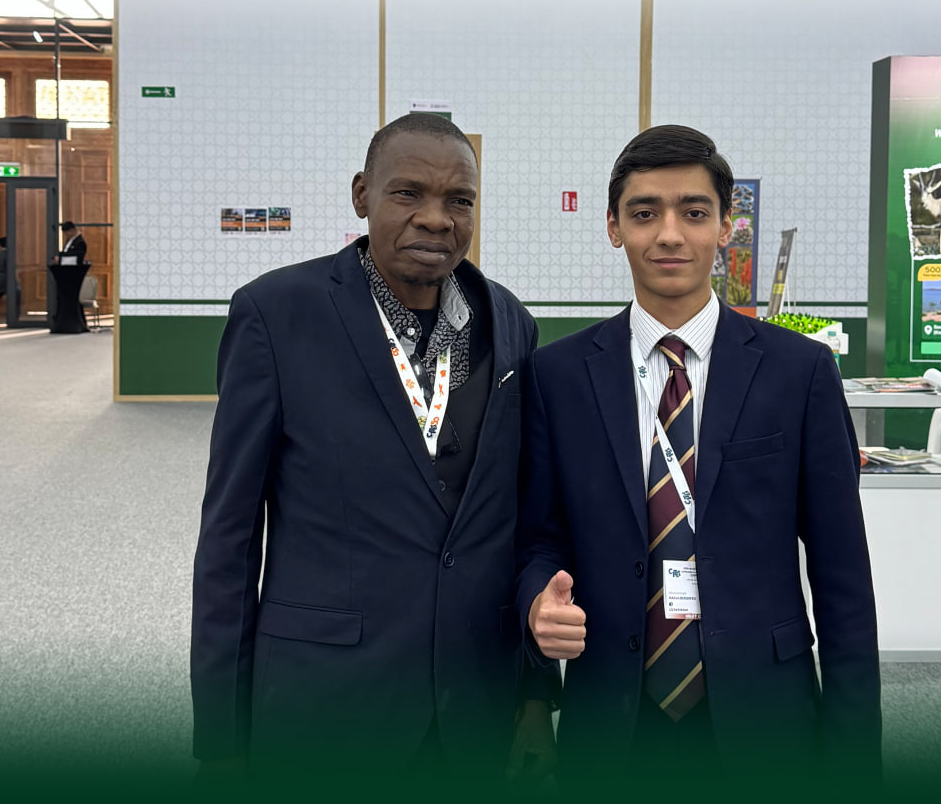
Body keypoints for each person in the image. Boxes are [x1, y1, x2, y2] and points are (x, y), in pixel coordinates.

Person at [192, 113, 558, 789]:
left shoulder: (509, 322)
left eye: (459, 200)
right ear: (362, 194)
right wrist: (221, 737)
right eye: (408, 193)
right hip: (327, 705)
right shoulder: (277, 315)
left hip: (474, 706)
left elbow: (525, 521)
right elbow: (229, 539)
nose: (436, 219)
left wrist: (534, 695)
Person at [516, 125, 880, 789]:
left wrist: (856, 757)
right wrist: (537, 599)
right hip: (612, 716)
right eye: (644, 213)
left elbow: (842, 573)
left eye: (693, 212)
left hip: (766, 713)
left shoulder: (799, 372)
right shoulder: (558, 376)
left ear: (725, 226)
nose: (669, 235)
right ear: (613, 227)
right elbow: (539, 538)